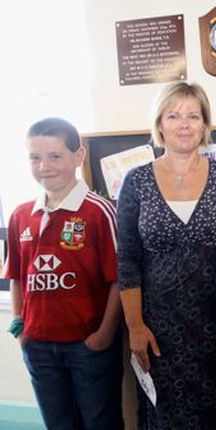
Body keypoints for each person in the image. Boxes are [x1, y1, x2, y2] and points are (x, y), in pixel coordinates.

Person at [117, 81, 216, 429]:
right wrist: (135, 326)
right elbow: (127, 259)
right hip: (160, 329)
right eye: (173, 116)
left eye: (193, 115)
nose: (184, 124)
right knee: (167, 417)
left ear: (205, 124)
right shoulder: (137, 181)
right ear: (159, 124)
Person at [3, 117, 124, 429]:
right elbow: (17, 275)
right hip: (38, 345)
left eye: (54, 156)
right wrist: (21, 326)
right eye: (35, 157)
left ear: (78, 156)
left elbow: (119, 278)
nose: (44, 166)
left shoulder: (99, 212)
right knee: (58, 423)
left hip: (88, 346)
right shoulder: (20, 215)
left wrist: (104, 335)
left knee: (100, 421)